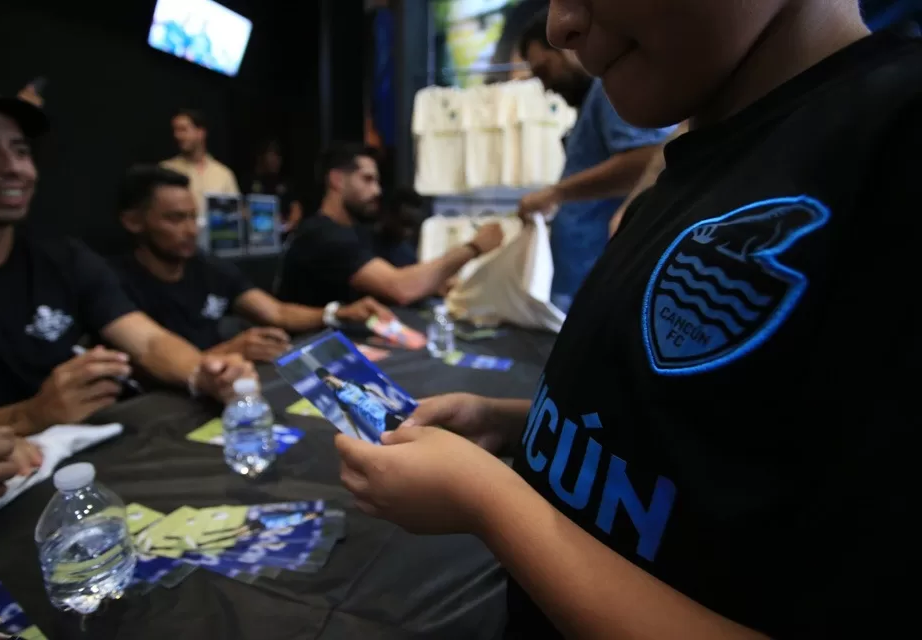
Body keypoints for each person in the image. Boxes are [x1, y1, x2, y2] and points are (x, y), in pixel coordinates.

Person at [334, 1, 920, 638]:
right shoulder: (689, 161)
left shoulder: (893, 146)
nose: (561, 26)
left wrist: (488, 502)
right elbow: (705, 441)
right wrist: (509, 423)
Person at [0, 72, 255, 437]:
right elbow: (32, 416)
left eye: (21, 150)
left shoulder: (64, 258)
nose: (13, 168)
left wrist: (205, 372)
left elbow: (147, 341)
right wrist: (26, 417)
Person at [112, 165, 395, 363]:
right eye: (174, 219)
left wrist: (338, 313)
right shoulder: (113, 284)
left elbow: (276, 311)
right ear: (133, 221)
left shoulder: (207, 266)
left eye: (192, 217)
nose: (190, 229)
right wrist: (227, 351)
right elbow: (147, 359)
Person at [516, 11, 675, 312]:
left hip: (596, 276)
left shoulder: (611, 92)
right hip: (582, 274)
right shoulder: (594, 101)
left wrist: (556, 193)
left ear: (568, 45)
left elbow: (646, 160)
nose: (547, 87)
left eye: (545, 71)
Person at [277, 143, 503, 307]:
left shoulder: (355, 233)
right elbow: (401, 288)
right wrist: (474, 247)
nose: (377, 191)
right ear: (337, 180)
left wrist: (434, 283)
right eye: (367, 179)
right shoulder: (321, 235)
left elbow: (399, 277)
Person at [160, 109, 240, 221]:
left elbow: (233, 216)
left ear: (200, 133)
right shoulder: (166, 170)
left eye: (183, 130)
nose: (177, 136)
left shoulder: (223, 174)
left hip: (214, 237)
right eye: (175, 131)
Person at [250, 139, 303, 234]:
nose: (276, 159)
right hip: (257, 235)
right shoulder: (249, 181)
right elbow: (242, 209)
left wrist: (287, 226)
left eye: (278, 155)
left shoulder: (286, 183)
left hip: (283, 235)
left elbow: (296, 210)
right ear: (261, 156)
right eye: (272, 154)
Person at [372, 187, 422, 268]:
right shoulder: (363, 247)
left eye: (413, 226)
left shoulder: (407, 254)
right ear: (388, 215)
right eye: (404, 224)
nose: (408, 232)